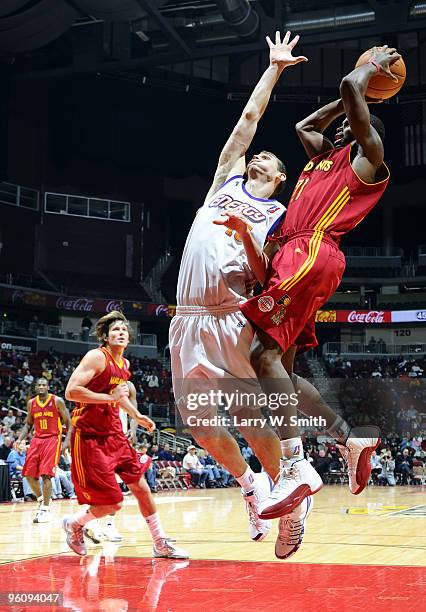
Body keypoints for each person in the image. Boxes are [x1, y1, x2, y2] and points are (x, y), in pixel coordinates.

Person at [221, 45, 399, 552]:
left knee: (262, 356)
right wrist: (346, 104)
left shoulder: (368, 159)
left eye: (352, 124)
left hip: (311, 250)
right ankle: (349, 437)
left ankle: (297, 462)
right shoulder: (322, 158)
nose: (341, 128)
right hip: (293, 257)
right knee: (285, 368)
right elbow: (303, 127)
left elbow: (348, 89)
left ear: (365, 132)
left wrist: (368, 72)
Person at [170, 30, 306, 544]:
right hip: (186, 318)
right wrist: (273, 69)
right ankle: (251, 487)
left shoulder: (279, 216)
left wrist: (248, 238)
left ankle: (289, 497)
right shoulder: (223, 181)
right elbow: (248, 122)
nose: (259, 157)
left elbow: (271, 269)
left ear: (280, 177)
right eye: (257, 155)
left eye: (269, 159)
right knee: (202, 429)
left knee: (253, 423)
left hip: (230, 315)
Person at [62, 310, 188, 559]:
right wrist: (108, 398)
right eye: (115, 330)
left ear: (129, 337)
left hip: (115, 436)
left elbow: (119, 397)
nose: (120, 333)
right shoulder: (97, 357)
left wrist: (136, 415)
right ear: (106, 337)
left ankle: (160, 542)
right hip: (90, 438)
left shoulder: (125, 365)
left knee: (141, 488)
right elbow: (72, 392)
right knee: (112, 503)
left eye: (123, 330)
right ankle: (75, 524)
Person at [16, 377, 71, 523]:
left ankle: (45, 510)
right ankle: (42, 499)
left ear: (48, 387)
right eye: (39, 385)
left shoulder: (57, 401)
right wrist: (20, 438)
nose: (41, 387)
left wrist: (66, 442)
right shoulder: (31, 403)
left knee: (46, 475)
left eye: (44, 385)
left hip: (53, 439)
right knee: (28, 474)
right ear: (35, 388)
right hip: (37, 439)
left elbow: (69, 423)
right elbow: (28, 424)